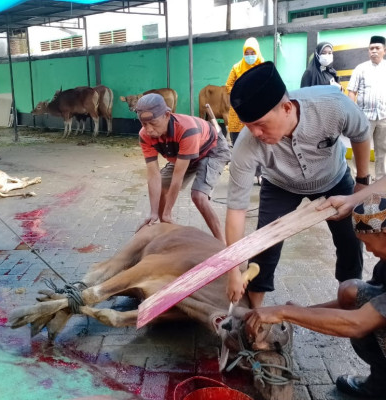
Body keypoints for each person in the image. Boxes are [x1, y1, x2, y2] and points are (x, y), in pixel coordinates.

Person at [226, 61, 371, 309]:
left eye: (260, 124)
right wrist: (232, 271)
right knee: (265, 243)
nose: (256, 134)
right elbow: (236, 210)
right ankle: (254, 312)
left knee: (350, 239)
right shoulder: (247, 144)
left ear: (286, 107)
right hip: (281, 184)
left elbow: (361, 134)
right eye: (249, 127)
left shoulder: (333, 106)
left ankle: (350, 301)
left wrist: (361, 184)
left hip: (333, 178)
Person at [244, 191, 386, 399]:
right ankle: (379, 381)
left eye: (367, 242)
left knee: (361, 329)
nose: (367, 249)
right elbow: (364, 304)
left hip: (362, 323)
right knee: (350, 292)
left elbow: (358, 323)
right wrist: (300, 312)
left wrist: (284, 312)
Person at [136, 93, 231, 243]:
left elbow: (178, 177)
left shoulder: (186, 129)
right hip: (184, 155)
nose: (148, 130)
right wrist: (153, 213)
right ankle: (165, 232)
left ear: (167, 115)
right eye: (143, 124)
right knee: (162, 188)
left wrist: (167, 211)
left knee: (199, 196)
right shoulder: (145, 135)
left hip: (212, 150)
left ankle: (221, 244)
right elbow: (153, 175)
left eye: (153, 123)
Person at [347, 35, 386, 181]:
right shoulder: (361, 68)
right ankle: (358, 180)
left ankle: (381, 181)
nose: (374, 51)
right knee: (360, 149)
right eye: (371, 48)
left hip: (384, 117)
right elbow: (352, 92)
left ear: (384, 50)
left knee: (382, 151)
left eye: (377, 48)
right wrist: (353, 114)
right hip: (364, 118)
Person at [225, 37, 264, 147]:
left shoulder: (263, 67)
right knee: (238, 143)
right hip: (239, 109)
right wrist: (240, 94)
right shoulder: (236, 67)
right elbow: (228, 86)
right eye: (246, 53)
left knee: (257, 142)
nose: (249, 55)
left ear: (257, 52)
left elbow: (268, 87)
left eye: (252, 52)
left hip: (257, 110)